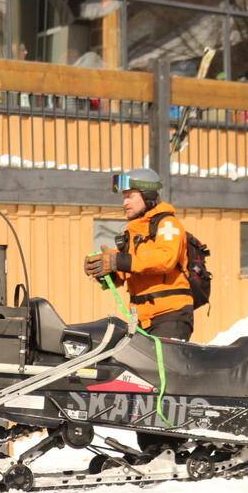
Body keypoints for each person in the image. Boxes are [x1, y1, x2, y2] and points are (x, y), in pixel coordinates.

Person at [83, 167, 193, 453]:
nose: (125, 202)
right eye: (124, 197)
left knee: (164, 380)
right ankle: (153, 447)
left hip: (170, 314)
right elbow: (128, 275)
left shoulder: (168, 224)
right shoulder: (132, 232)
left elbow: (164, 259)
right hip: (142, 318)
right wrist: (103, 271)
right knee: (143, 381)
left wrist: (120, 261)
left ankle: (173, 445)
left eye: (130, 196)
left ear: (147, 195)